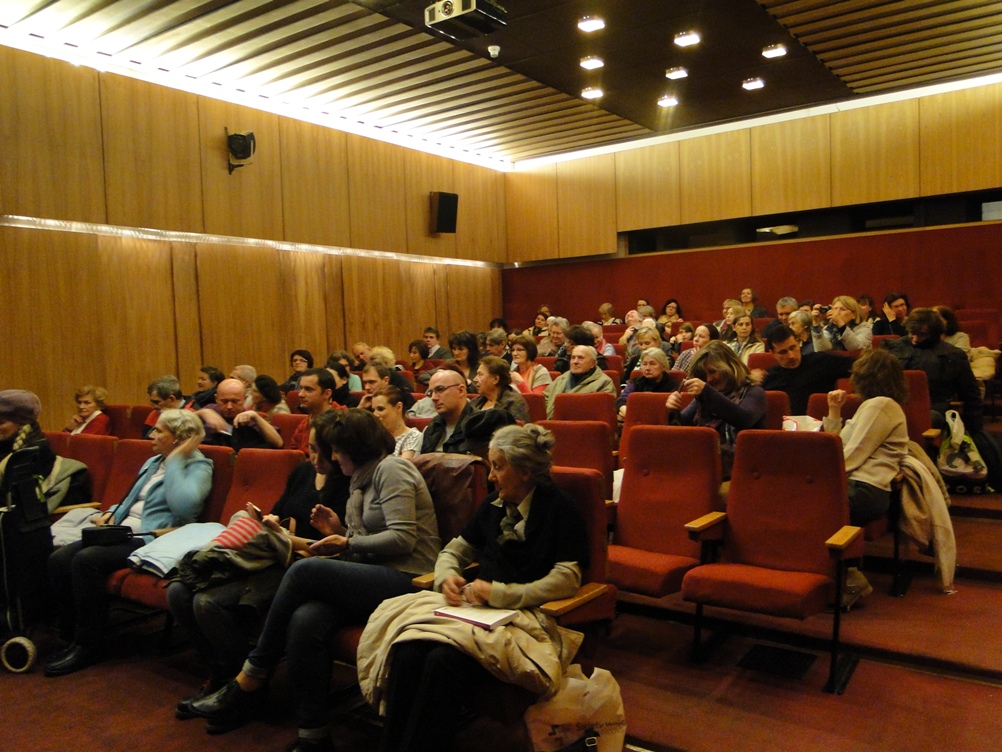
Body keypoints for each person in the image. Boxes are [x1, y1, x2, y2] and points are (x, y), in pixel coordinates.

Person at [185, 409, 440, 748]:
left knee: (305, 570)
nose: (333, 457)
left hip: (410, 577)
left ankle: (252, 674)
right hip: (374, 575)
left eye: (337, 450)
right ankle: (313, 735)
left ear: (356, 449)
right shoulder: (359, 479)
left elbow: (403, 539)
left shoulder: (391, 469)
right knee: (306, 619)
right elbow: (366, 542)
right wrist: (340, 532)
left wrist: (346, 542)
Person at [370, 423, 589, 752]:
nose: (491, 476)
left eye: (498, 467)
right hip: (479, 613)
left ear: (525, 471)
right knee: (409, 648)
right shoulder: (493, 506)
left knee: (441, 660)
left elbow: (567, 578)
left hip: (526, 617)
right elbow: (453, 552)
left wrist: (502, 594)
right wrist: (446, 577)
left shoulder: (560, 508)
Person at [168, 411, 349, 710]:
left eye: (321, 451)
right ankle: (220, 673)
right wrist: (269, 521)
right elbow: (281, 512)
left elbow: (333, 549)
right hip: (267, 555)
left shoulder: (346, 481)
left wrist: (282, 536)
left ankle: (242, 687)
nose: (314, 457)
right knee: (178, 591)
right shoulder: (303, 472)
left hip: (299, 567)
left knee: (207, 602)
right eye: (311, 448)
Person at [45, 409, 212, 677]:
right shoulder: (153, 462)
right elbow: (132, 499)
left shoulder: (198, 466)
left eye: (159, 430)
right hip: (120, 531)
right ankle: (69, 633)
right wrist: (112, 512)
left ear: (178, 438)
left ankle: (89, 645)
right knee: (59, 558)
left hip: (152, 538)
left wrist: (176, 460)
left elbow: (185, 510)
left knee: (87, 561)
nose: (151, 434)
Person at [823, 349, 910, 605]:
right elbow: (836, 446)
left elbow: (850, 457)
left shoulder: (881, 405)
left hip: (865, 489)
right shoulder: (872, 406)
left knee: (805, 506)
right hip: (857, 485)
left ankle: (850, 580)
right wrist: (834, 411)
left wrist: (817, 479)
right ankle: (843, 576)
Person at [666, 342, 766, 480]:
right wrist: (673, 411)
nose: (708, 379)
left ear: (730, 367)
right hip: (701, 467)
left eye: (713, 372)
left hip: (740, 472)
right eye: (704, 374)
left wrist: (707, 392)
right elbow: (682, 428)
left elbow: (744, 419)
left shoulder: (754, 392)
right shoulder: (706, 394)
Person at [883, 308, 984, 432]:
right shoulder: (895, 347)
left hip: (934, 408)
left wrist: (972, 431)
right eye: (912, 333)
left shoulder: (952, 355)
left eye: (922, 335)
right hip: (893, 405)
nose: (915, 339)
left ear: (935, 333)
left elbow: (971, 395)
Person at [759, 326, 853, 414]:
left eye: (793, 348)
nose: (791, 356)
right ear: (773, 353)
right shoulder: (769, 378)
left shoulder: (821, 361)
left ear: (798, 342)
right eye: (783, 352)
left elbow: (858, 367)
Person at [196, 379, 283, 450]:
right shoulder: (210, 409)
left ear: (245, 399)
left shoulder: (250, 419)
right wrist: (201, 413)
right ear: (216, 399)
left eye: (235, 401)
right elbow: (187, 421)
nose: (229, 406)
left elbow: (278, 443)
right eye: (224, 401)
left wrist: (256, 416)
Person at [543, 345, 616, 419]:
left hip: (582, 424)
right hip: (550, 424)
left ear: (592, 363)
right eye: (573, 358)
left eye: (580, 358)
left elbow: (602, 412)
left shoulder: (604, 383)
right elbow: (544, 400)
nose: (575, 362)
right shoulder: (560, 379)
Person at [421, 365, 478, 454]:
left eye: (440, 389)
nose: (433, 398)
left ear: (460, 391)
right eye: (430, 393)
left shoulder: (479, 425)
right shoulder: (433, 426)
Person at [617, 348, 681, 422]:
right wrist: (627, 412)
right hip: (636, 421)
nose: (647, 368)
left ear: (663, 366)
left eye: (652, 364)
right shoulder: (636, 382)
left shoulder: (673, 386)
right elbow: (621, 400)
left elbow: (669, 411)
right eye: (644, 364)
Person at [288, 368, 336, 453]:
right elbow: (293, 454)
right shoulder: (304, 424)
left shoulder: (340, 423)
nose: (300, 394)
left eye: (308, 389)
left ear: (327, 394)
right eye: (301, 388)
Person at [472, 355, 531, 423]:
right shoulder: (477, 401)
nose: (475, 379)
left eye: (480, 374)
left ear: (495, 379)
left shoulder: (514, 403)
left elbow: (517, 429)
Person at [371, 385, 422, 459]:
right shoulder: (374, 436)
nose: (375, 414)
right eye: (373, 410)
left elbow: (402, 465)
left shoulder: (413, 436)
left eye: (380, 409)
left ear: (398, 407)